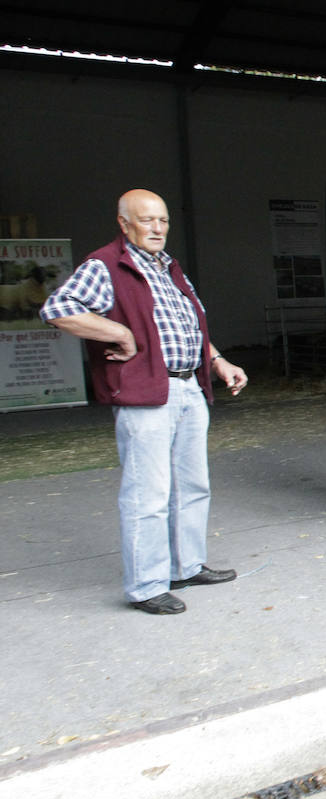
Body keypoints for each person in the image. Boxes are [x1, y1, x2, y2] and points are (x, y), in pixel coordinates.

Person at [39, 189, 246, 615]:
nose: (157, 228)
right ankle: (147, 585)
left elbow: (192, 325)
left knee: (192, 486)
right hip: (145, 390)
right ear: (124, 223)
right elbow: (58, 308)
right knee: (147, 493)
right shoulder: (107, 265)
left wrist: (218, 361)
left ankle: (186, 565)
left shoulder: (170, 268)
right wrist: (117, 333)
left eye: (163, 221)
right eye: (147, 220)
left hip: (188, 386)